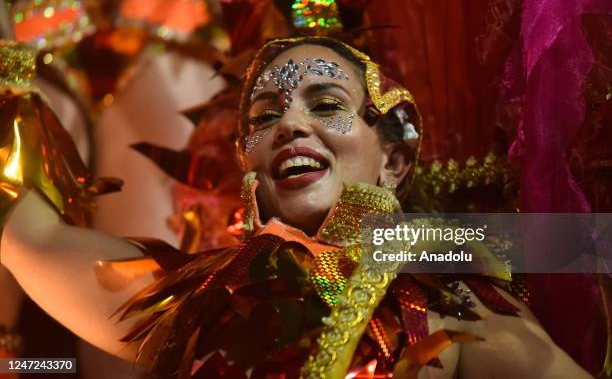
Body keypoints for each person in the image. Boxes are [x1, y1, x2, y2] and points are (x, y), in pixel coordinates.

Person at [0, 36, 593, 379]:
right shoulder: (196, 304)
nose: (289, 124)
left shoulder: (460, 308)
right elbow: (31, 237)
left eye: (327, 104)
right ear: (247, 163)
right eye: (264, 116)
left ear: (394, 161)